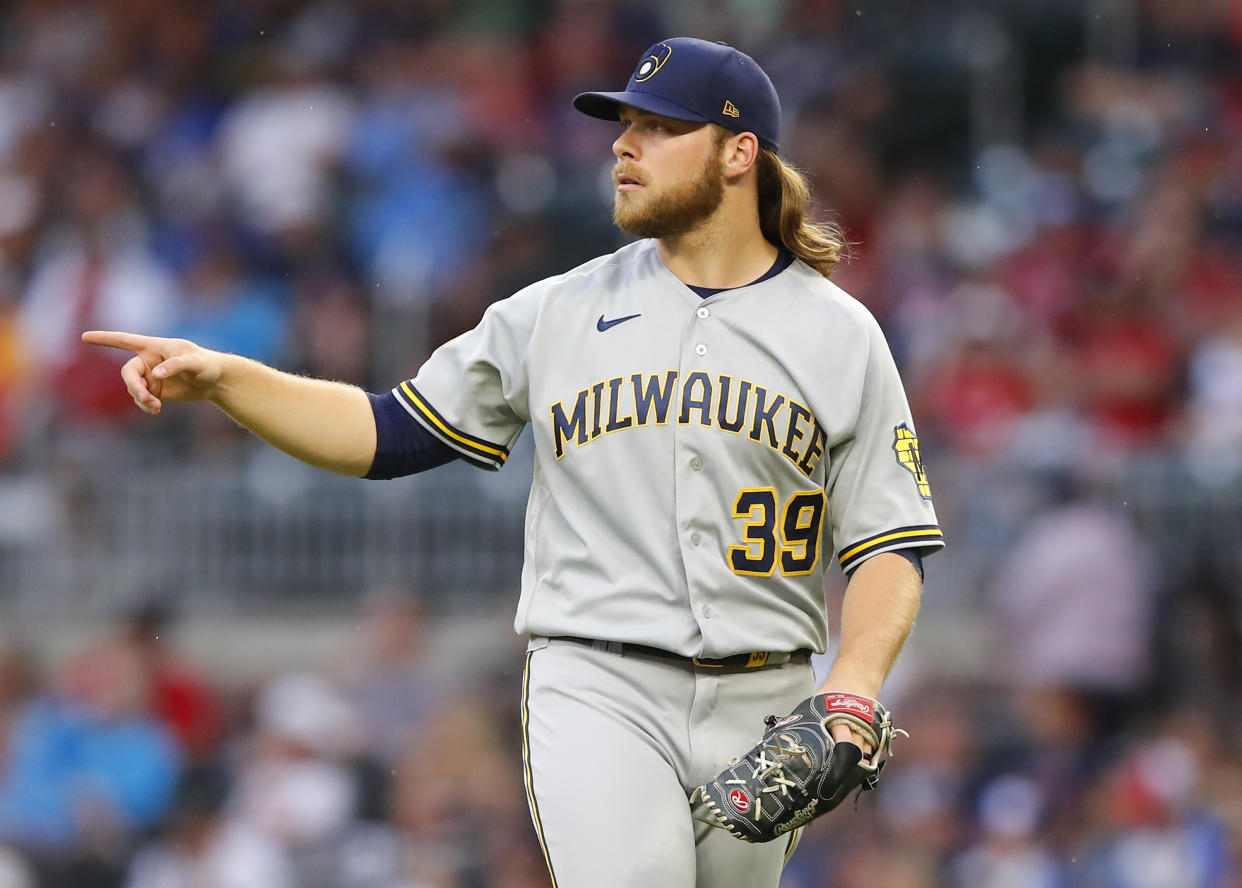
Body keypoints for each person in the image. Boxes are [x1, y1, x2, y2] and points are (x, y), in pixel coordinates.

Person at [84, 37, 943, 888]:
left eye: (658, 126)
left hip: (765, 698)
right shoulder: (559, 311)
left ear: (738, 153)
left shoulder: (840, 334)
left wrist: (853, 690)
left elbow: (888, 545)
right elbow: (389, 434)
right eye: (624, 124)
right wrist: (233, 379)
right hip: (600, 680)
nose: (623, 144)